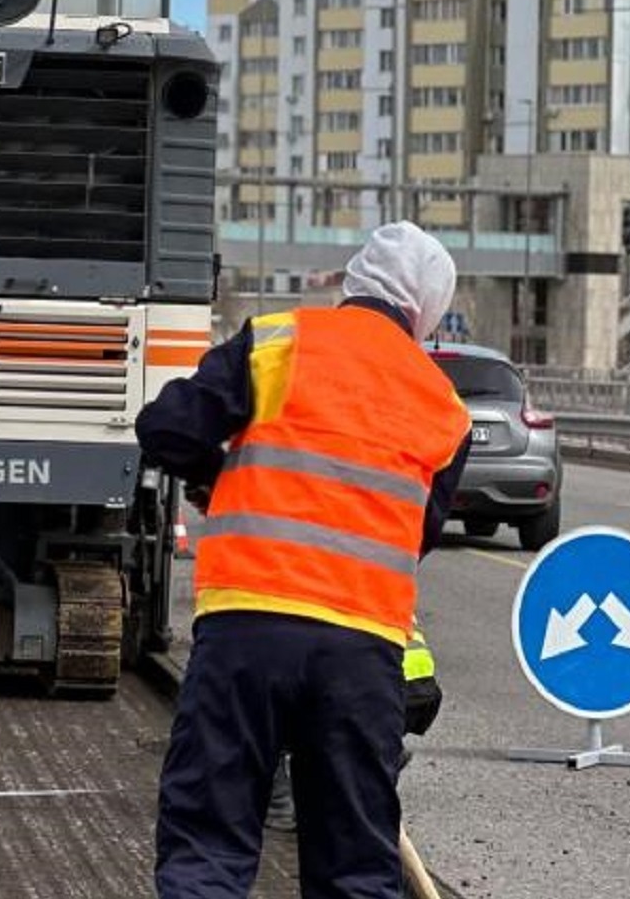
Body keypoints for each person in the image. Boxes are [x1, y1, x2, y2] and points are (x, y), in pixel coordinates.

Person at [139, 221, 472, 899]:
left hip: (246, 632)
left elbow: (164, 429)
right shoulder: (445, 407)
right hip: (360, 653)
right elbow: (416, 536)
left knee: (208, 846)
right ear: (426, 310)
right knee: (354, 866)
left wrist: (220, 477)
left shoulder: (277, 341)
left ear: (353, 283)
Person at [265, 619, 441, 834]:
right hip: (418, 691)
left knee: (272, 720)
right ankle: (379, 754)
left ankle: (279, 808)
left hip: (383, 688)